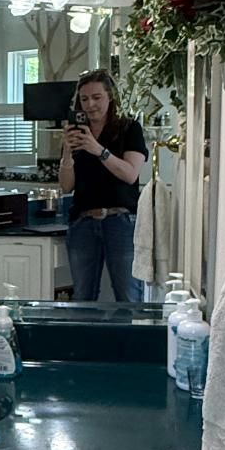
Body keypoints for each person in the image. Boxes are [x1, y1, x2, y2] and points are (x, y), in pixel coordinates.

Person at [59, 69, 149, 303]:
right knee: (82, 296)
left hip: (120, 221)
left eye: (97, 97)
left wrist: (97, 149)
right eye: (84, 99)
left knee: (129, 295)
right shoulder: (77, 134)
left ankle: (131, 341)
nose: (90, 105)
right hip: (83, 223)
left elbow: (130, 174)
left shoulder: (130, 129)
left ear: (110, 97)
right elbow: (66, 186)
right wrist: (68, 153)